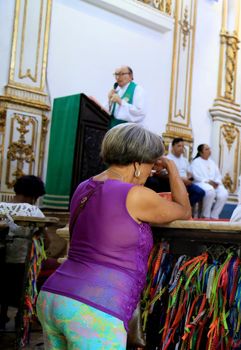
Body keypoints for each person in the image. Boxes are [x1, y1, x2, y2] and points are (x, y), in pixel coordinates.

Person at [37, 123, 191, 348]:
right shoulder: (136, 194)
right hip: (94, 308)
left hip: (54, 296)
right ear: (138, 163)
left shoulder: (84, 187)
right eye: (151, 165)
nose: (150, 173)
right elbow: (184, 210)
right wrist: (172, 169)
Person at [0, 175, 46, 329]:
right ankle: (23, 316)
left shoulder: (0, 207)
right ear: (34, 196)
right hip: (21, 269)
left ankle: (2, 314)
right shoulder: (33, 211)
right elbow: (45, 241)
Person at [190, 144, 228, 219]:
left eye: (209, 149)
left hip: (213, 184)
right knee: (210, 191)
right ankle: (205, 215)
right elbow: (196, 176)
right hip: (200, 183)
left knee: (224, 193)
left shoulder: (212, 162)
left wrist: (216, 182)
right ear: (201, 152)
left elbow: (218, 175)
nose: (209, 151)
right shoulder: (196, 162)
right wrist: (208, 181)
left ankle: (214, 215)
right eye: (206, 149)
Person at [167, 138, 205, 207]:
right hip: (174, 183)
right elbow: (167, 174)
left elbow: (189, 172)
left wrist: (189, 178)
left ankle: (186, 207)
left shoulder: (184, 160)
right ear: (173, 146)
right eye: (179, 146)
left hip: (186, 183)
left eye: (182, 146)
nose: (181, 148)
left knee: (200, 192)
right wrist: (181, 179)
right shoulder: (168, 159)